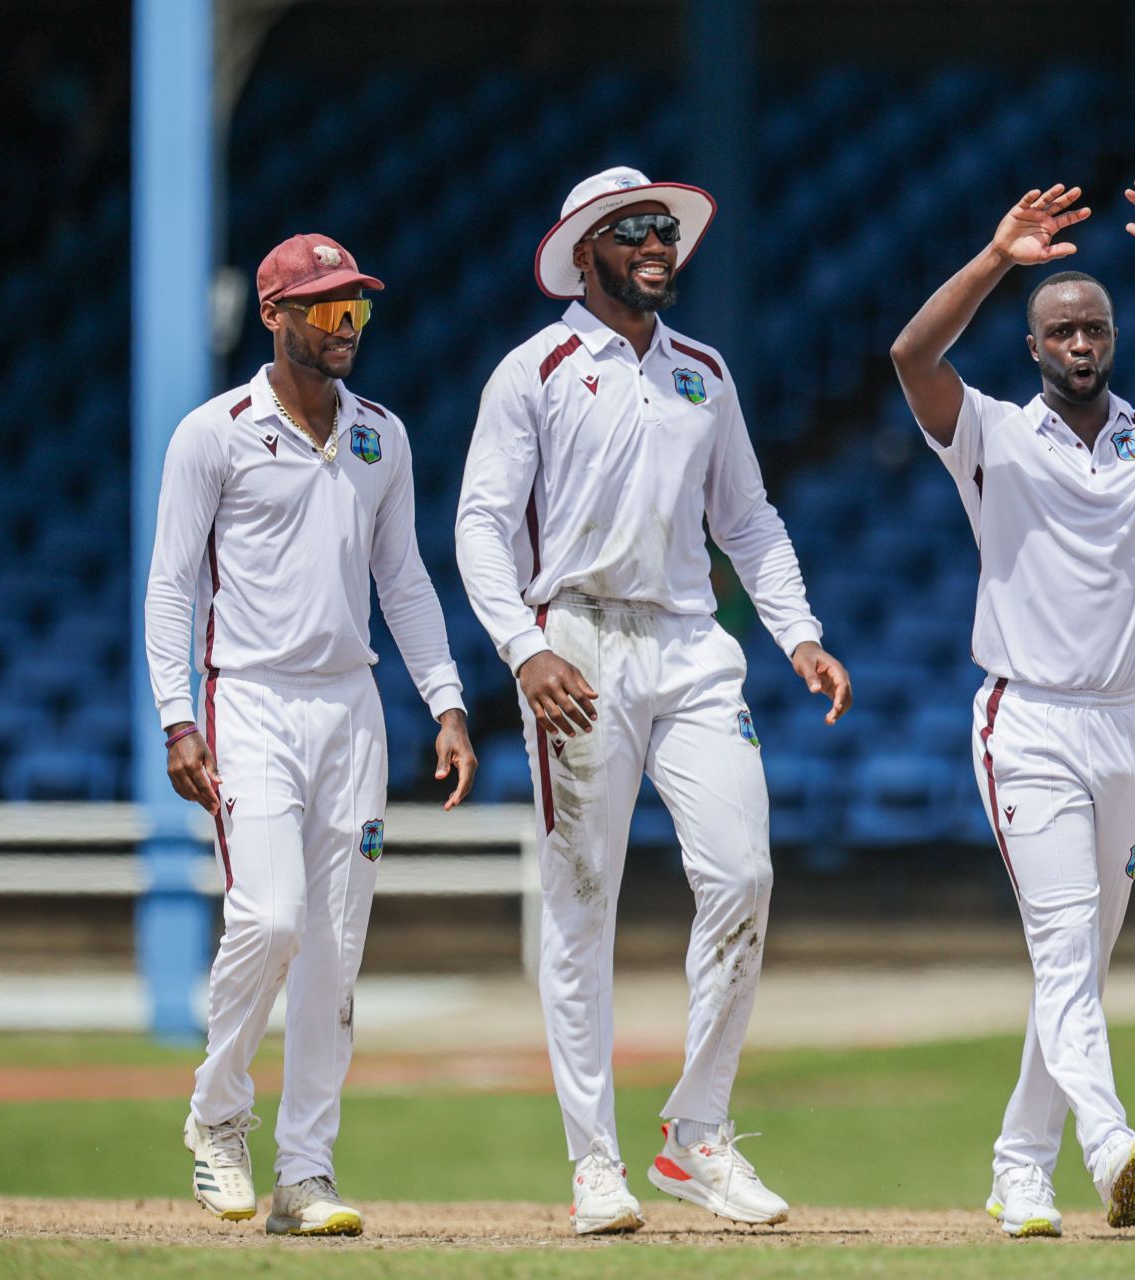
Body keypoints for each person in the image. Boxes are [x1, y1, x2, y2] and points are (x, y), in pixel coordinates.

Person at [888, 179, 1135, 1237]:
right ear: (1032, 347)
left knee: (1079, 962)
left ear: (1116, 338)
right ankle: (1109, 1140)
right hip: (1027, 720)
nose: (1079, 342)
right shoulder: (993, 435)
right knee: (1067, 947)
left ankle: (1020, 1167)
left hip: (1126, 724)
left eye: (1095, 327)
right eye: (1060, 329)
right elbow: (911, 359)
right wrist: (994, 257)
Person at [455, 166, 851, 1235]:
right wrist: (524, 647)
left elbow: (750, 520)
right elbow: (481, 527)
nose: (658, 244)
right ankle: (594, 1159)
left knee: (745, 872)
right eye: (633, 231)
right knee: (582, 902)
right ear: (583, 251)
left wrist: (799, 634)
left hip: (689, 641)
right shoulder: (533, 370)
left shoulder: (703, 375)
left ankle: (697, 1134)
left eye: (666, 230)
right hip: (577, 638)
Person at [146, 233, 478, 1236]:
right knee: (273, 917)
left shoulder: (381, 435)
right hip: (247, 698)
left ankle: (306, 1172)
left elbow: (404, 579)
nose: (346, 326)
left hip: (353, 707)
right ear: (275, 315)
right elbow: (173, 583)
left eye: (357, 310)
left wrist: (447, 698)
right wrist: (177, 716)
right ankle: (216, 1114)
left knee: (335, 948)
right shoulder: (215, 432)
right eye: (328, 309)